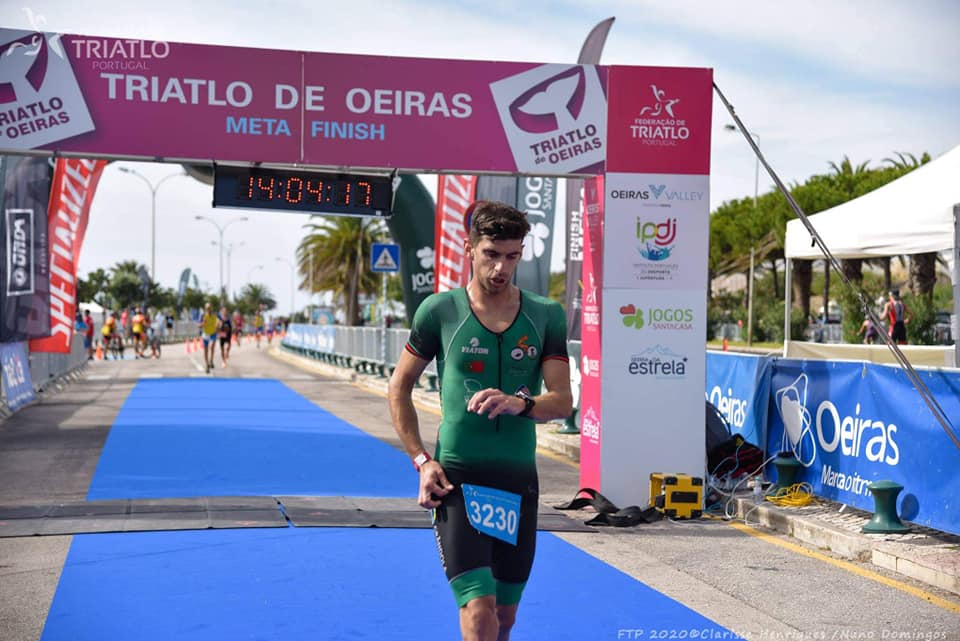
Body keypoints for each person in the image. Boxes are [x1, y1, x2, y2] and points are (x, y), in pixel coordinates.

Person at [388, 201, 572, 641]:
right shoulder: (439, 311)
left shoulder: (545, 314)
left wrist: (520, 404)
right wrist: (422, 460)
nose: (500, 268)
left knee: (504, 617)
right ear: (469, 249)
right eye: (491, 254)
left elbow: (563, 401)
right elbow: (399, 388)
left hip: (518, 481)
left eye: (512, 256)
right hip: (458, 478)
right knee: (478, 610)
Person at [198, 303, 220, 373]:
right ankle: (207, 365)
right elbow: (198, 325)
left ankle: (211, 360)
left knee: (212, 346)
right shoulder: (203, 315)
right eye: (207, 308)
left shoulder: (215, 315)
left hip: (213, 333)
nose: (209, 309)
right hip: (206, 334)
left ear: (212, 308)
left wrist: (218, 325)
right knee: (206, 350)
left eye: (210, 308)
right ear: (205, 309)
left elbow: (219, 321)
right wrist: (203, 323)